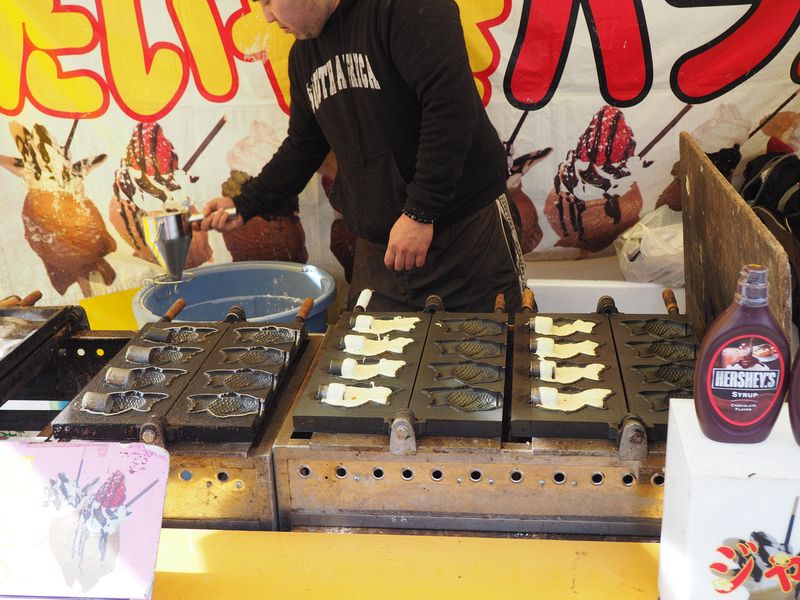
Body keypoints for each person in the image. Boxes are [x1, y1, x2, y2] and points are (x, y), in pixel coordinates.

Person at [198, 0, 526, 312]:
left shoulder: (404, 9)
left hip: (464, 235)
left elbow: (450, 108)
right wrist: (246, 203)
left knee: (482, 357)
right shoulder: (304, 55)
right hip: (380, 252)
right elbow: (304, 144)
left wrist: (421, 212)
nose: (268, 17)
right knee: (371, 364)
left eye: (269, 1)